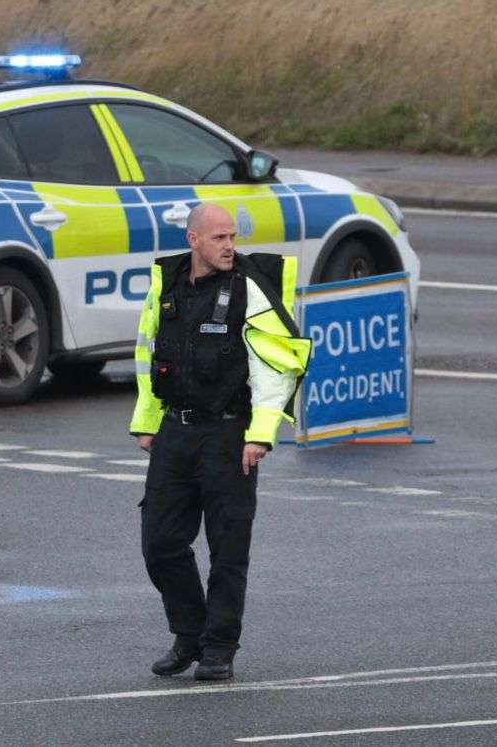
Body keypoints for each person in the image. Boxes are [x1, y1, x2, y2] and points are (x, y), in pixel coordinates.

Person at [129, 203, 310, 681]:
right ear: (193, 240)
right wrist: (147, 422)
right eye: (219, 238)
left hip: (229, 435)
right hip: (175, 431)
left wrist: (260, 435)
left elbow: (275, 366)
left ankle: (219, 646)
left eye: (232, 237)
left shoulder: (248, 288)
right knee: (161, 543)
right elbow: (150, 352)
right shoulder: (166, 285)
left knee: (228, 549)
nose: (230, 246)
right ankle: (189, 633)